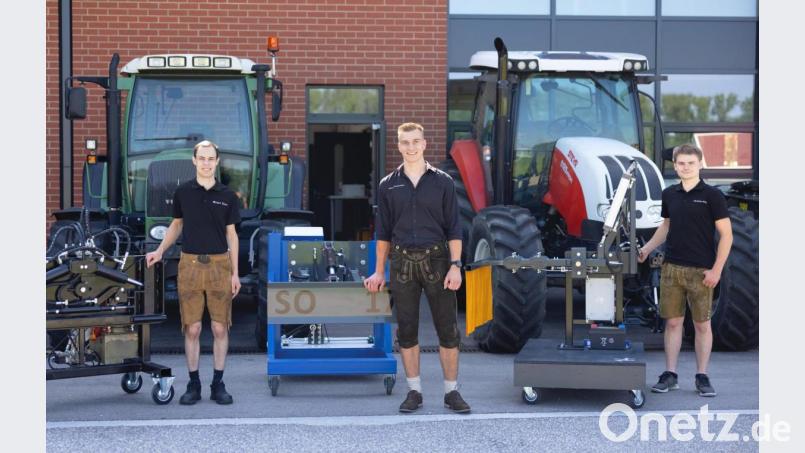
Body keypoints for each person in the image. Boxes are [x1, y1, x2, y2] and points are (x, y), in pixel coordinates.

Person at [364, 122, 470, 414]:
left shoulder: (443, 182)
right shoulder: (388, 185)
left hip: (438, 262)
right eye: (405, 142)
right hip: (401, 264)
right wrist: (378, 271)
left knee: (448, 330)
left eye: (415, 141)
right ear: (398, 146)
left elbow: (454, 228)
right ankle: (414, 392)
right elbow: (383, 233)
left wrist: (456, 266)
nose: (410, 147)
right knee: (407, 331)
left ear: (424, 144)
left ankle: (451, 393)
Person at [146, 140, 242, 405]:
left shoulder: (228, 196)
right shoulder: (183, 193)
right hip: (189, 265)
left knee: (220, 328)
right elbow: (176, 225)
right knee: (193, 328)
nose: (207, 163)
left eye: (211, 158)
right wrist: (160, 251)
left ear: (217, 161)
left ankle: (218, 384)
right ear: (194, 161)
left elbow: (232, 236)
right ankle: (194, 384)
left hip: (219, 266)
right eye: (202, 158)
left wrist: (235, 273)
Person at [638, 144, 732, 397]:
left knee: (702, 325)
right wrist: (646, 249)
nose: (686, 167)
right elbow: (665, 227)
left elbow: (726, 236)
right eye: (681, 163)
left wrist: (716, 270)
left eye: (690, 163)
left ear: (700, 164)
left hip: (702, 272)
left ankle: (702, 376)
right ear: (675, 165)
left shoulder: (713, 195)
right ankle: (670, 375)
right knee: (673, 323)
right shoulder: (669, 194)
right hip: (671, 269)